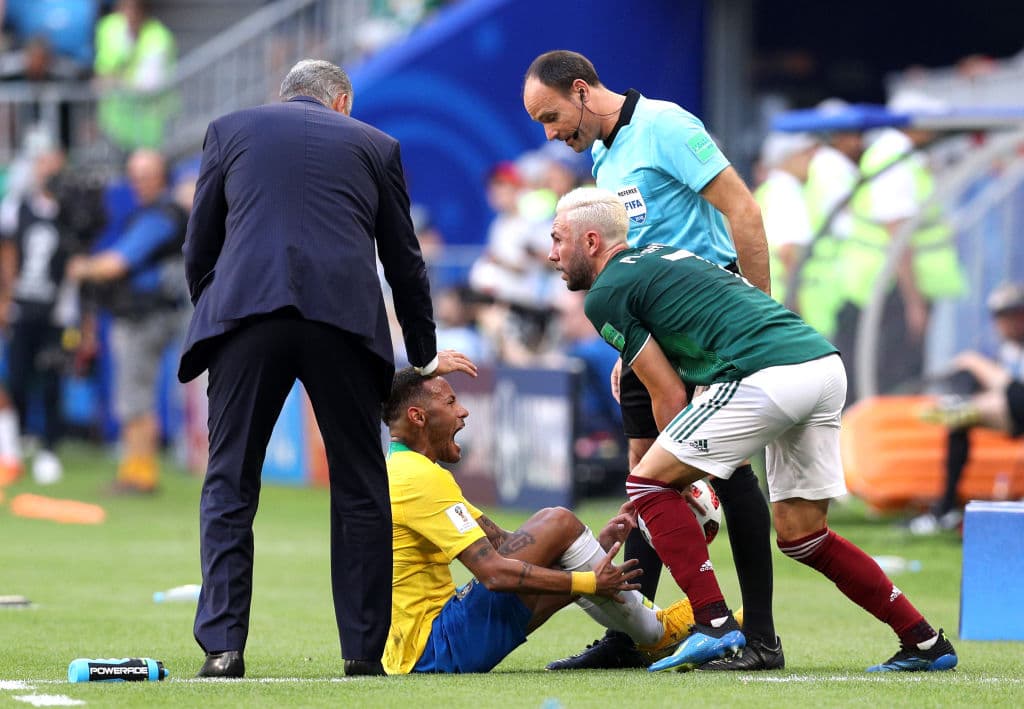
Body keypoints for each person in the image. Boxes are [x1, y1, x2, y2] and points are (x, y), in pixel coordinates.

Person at [547, 186, 958, 673]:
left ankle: (714, 622)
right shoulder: (662, 255)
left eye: (558, 239)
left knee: (647, 481)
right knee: (803, 536)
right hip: (821, 365)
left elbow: (668, 394)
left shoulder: (605, 293)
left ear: (591, 241)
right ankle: (923, 640)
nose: (551, 254)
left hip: (766, 375)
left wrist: (675, 481)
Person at [178, 59, 476, 680]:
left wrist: (217, 301)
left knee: (230, 482)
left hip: (246, 317)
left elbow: (199, 242)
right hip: (343, 322)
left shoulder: (229, 129)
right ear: (341, 101)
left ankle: (222, 650)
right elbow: (404, 260)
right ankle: (363, 654)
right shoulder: (376, 144)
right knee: (361, 487)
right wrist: (423, 353)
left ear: (284, 95)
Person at [523, 49, 779, 671]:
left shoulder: (667, 125)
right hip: (648, 332)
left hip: (705, 327)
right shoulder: (603, 157)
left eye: (551, 117)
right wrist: (628, 345)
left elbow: (742, 210)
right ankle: (635, 633)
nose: (550, 134)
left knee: (728, 473)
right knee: (645, 476)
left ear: (581, 90)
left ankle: (762, 638)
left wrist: (757, 320)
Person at [382, 367, 697, 674]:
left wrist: (590, 549)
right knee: (557, 520)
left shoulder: (406, 469)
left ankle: (656, 634)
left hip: (429, 646)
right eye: (450, 402)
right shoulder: (418, 478)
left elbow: (505, 545)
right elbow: (493, 573)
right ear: (418, 417)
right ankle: (659, 632)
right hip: (435, 646)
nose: (463, 411)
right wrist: (588, 581)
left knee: (558, 536)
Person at [67, 148, 186, 495]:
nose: (139, 184)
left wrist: (82, 268)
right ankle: (134, 470)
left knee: (135, 396)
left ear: (161, 177)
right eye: (134, 177)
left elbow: (116, 263)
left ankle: (141, 474)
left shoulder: (160, 216)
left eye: (146, 176)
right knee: (132, 395)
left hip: (145, 317)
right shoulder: (154, 213)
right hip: (144, 314)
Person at [912, 283, 1024, 534]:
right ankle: (946, 508)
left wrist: (976, 364)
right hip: (1015, 413)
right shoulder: (1008, 351)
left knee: (969, 394)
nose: (1009, 322)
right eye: (1002, 316)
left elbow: (1018, 397)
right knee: (960, 417)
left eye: (1016, 314)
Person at [0, 146, 77, 484]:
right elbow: (8, 252)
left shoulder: (71, 211)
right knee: (17, 376)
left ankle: (49, 448)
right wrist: (6, 297)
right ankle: (17, 440)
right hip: (23, 304)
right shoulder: (17, 207)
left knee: (51, 380)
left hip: (56, 311)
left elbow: (76, 261)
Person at [93, 0, 177, 152]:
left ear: (143, 11)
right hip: (114, 125)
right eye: (124, 7)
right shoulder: (108, 28)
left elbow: (148, 84)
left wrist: (115, 81)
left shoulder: (158, 37)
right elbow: (101, 72)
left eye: (134, 8)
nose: (129, 14)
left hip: (150, 127)